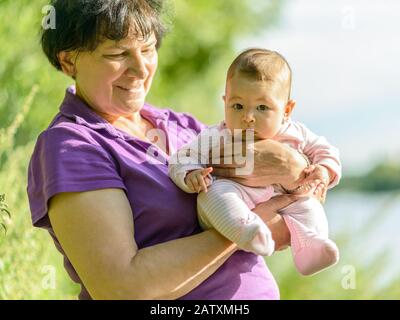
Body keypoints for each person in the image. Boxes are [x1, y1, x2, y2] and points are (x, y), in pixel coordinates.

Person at [27, 0, 308, 300]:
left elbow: (288, 195)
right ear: (69, 61)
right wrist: (243, 230)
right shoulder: (73, 146)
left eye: (147, 49)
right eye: (118, 54)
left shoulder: (180, 125)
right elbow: (120, 287)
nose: (140, 68)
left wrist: (296, 168)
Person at [169, 49, 342, 276]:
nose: (248, 117)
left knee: (308, 206)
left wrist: (323, 170)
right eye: (237, 106)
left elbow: (327, 151)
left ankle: (311, 247)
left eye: (262, 108)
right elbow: (180, 159)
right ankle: (248, 230)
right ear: (225, 103)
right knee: (212, 193)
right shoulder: (217, 136)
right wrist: (191, 174)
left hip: (283, 199)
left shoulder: (296, 133)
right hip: (235, 195)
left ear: (286, 110)